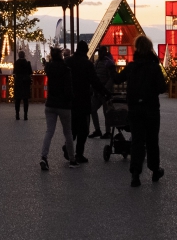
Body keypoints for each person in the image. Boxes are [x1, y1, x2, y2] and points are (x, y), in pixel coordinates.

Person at [113, 35, 167, 187]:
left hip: (135, 109)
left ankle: (135, 174)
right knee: (152, 140)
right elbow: (162, 88)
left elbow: (117, 79)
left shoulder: (131, 67)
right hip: (151, 109)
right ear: (150, 48)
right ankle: (155, 169)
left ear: (136, 48)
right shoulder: (154, 67)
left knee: (137, 140)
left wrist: (110, 68)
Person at [66, 41, 111, 164]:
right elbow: (95, 82)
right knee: (84, 129)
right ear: (86, 51)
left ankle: (67, 147)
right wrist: (105, 92)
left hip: (71, 100)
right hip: (84, 100)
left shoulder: (68, 62)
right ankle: (79, 154)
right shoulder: (87, 64)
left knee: (73, 127)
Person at [40, 47, 76, 170]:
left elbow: (46, 66)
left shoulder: (49, 68)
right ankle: (72, 159)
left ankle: (44, 157)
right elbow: (68, 88)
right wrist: (71, 99)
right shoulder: (66, 70)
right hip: (64, 105)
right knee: (68, 133)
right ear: (61, 56)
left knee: (49, 131)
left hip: (50, 104)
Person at [91, 46, 114, 138]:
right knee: (92, 109)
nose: (99, 54)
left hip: (105, 92)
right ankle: (97, 130)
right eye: (99, 52)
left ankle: (108, 132)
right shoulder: (97, 62)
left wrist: (105, 89)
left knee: (106, 112)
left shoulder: (108, 63)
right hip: (97, 91)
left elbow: (111, 78)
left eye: (101, 52)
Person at [14, 50, 32, 120]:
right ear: (24, 55)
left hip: (18, 82)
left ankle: (17, 114)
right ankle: (25, 115)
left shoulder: (16, 63)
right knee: (25, 100)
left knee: (17, 100)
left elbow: (14, 72)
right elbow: (30, 72)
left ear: (18, 55)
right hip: (25, 83)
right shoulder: (27, 63)